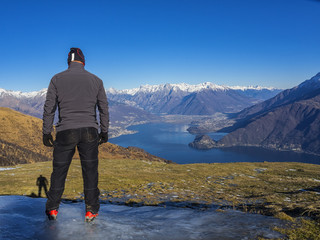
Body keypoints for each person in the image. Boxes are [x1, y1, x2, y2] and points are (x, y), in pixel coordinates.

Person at [42, 47, 109, 222]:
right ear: (83, 61)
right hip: (89, 131)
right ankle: (91, 211)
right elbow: (103, 108)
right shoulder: (96, 80)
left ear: (68, 61)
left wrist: (46, 132)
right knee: (90, 172)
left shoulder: (56, 79)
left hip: (65, 131)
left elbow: (49, 108)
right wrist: (105, 131)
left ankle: (52, 210)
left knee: (59, 172)